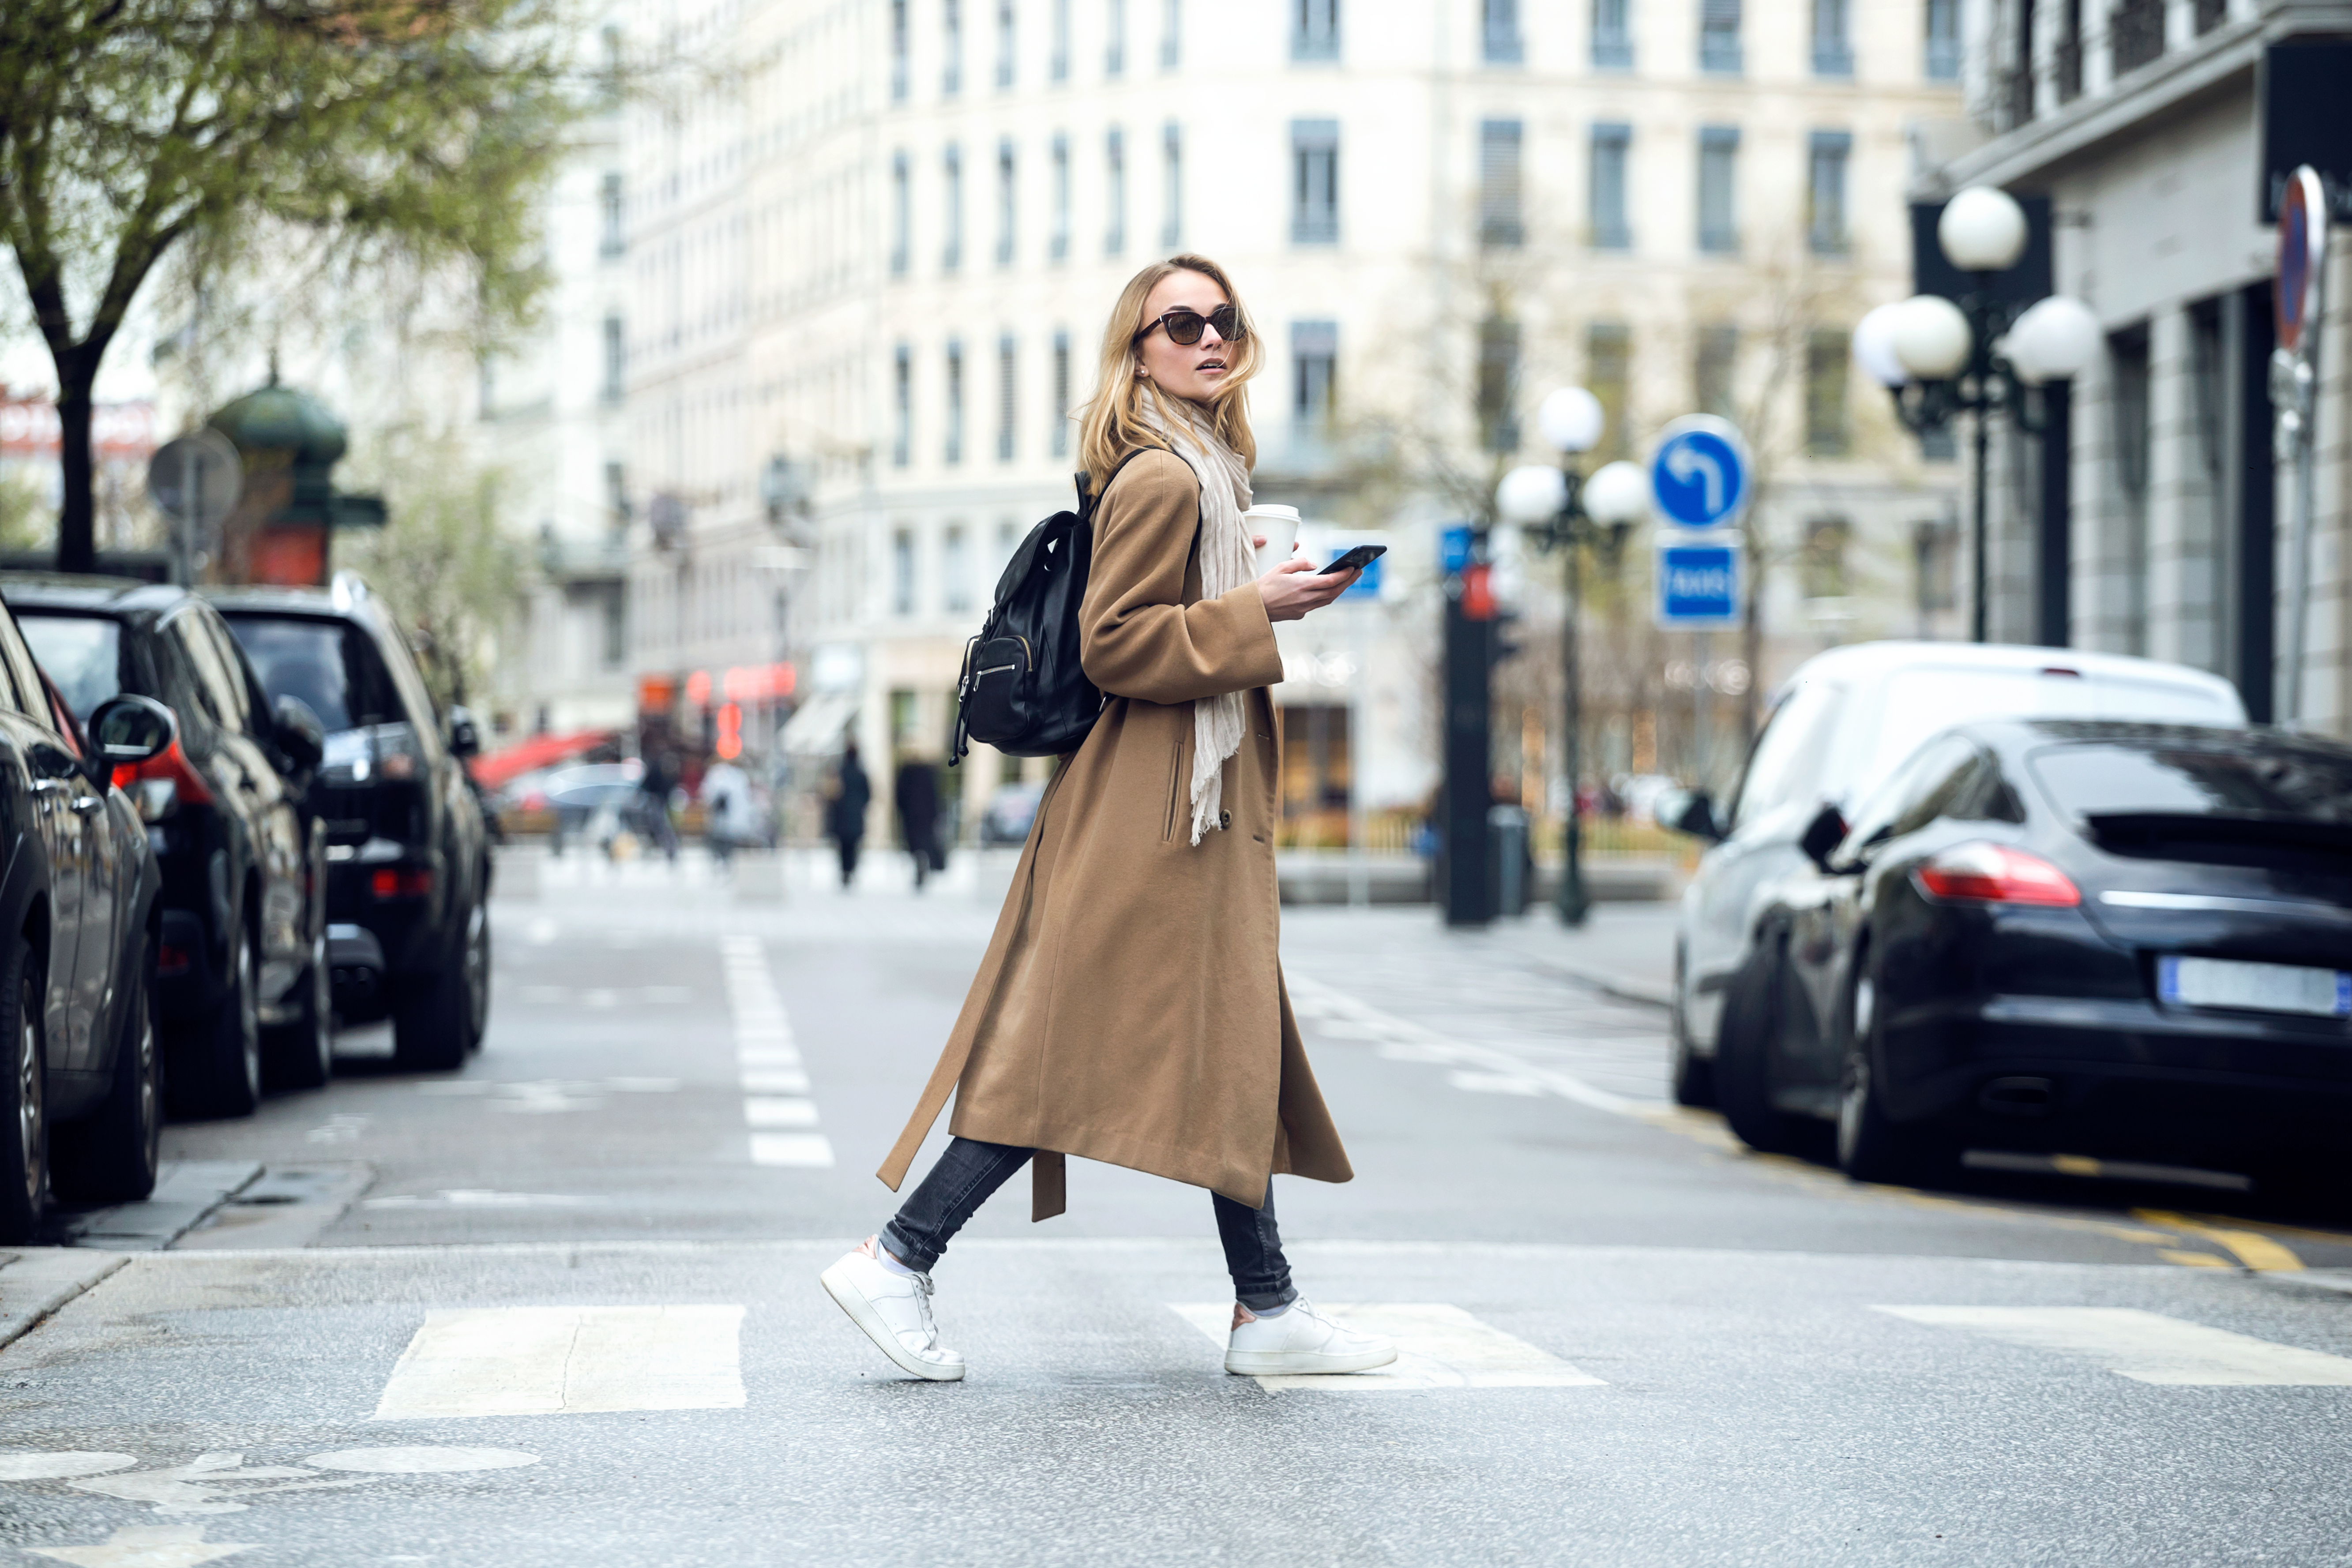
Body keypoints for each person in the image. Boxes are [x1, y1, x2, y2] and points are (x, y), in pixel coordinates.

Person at [822, 254, 1390, 1384]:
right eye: (1179, 322)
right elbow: (1115, 641)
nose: (1208, 338)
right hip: (1147, 801)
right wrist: (1253, 607)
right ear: (1136, 346)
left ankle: (1267, 1303)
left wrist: (1266, 597)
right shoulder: (1163, 479)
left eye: (1223, 320)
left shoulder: (1208, 470)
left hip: (1183, 796)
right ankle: (898, 1257)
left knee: (1229, 1039)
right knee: (1069, 1047)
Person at [893, 753, 941, 891]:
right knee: (923, 843)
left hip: (912, 816)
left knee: (916, 845)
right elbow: (934, 797)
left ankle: (920, 865)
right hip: (924, 816)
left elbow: (900, 796)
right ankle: (921, 864)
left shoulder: (906, 774)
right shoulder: (928, 774)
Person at [699, 752, 755, 872]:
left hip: (730, 817)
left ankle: (725, 862)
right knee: (720, 839)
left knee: (728, 840)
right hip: (722, 816)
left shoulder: (737, 775)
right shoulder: (719, 773)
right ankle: (721, 861)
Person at [827, 740, 871, 888]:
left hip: (841, 816)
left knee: (843, 846)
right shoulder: (861, 774)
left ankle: (845, 871)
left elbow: (831, 796)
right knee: (853, 846)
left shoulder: (839, 773)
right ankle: (850, 870)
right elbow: (868, 795)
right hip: (855, 816)